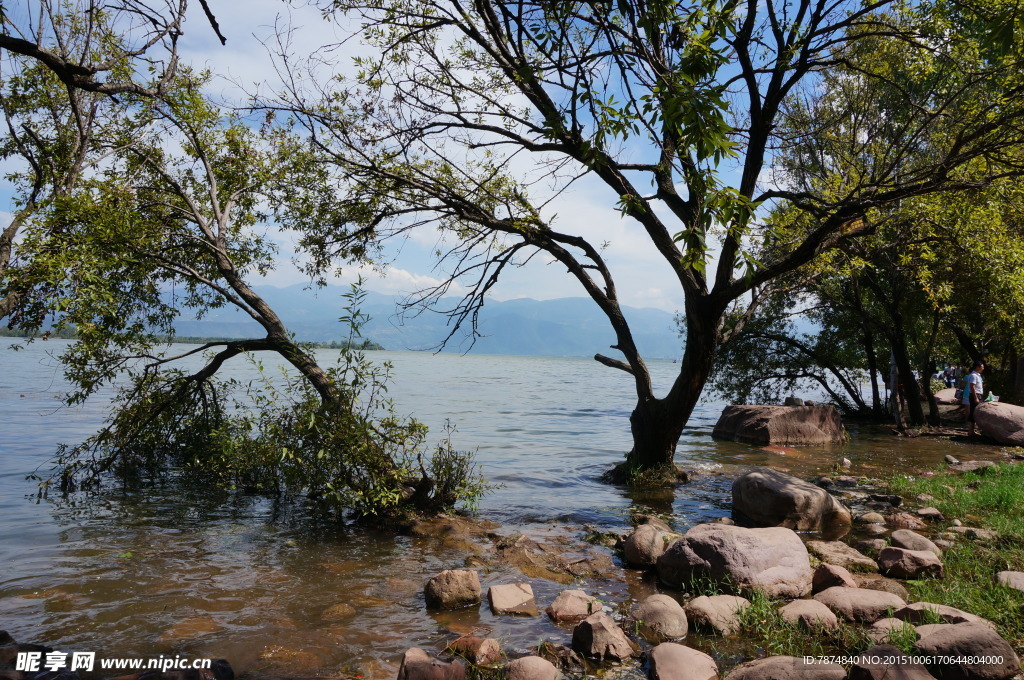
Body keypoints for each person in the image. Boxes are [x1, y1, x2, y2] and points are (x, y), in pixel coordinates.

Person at [961, 361, 985, 436]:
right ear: (977, 367)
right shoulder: (973, 375)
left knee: (975, 412)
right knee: (973, 412)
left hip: (978, 395)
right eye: (982, 366)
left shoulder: (978, 375)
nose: (983, 368)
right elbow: (972, 386)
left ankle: (972, 430)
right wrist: (975, 398)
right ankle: (971, 431)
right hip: (975, 395)